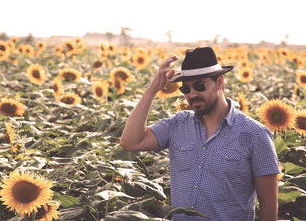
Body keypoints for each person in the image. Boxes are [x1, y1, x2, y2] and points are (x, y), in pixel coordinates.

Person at [120, 47, 280, 221]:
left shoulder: (254, 134)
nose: (192, 94)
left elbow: (269, 204)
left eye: (199, 86)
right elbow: (130, 142)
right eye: (186, 89)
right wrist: (152, 90)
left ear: (220, 82)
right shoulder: (177, 124)